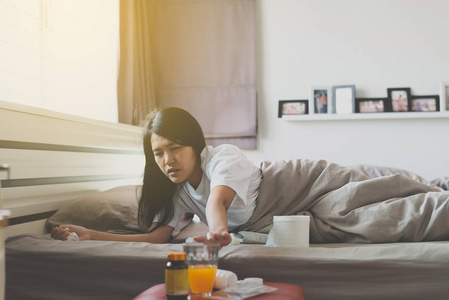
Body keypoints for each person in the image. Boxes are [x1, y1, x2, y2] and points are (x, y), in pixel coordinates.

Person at [51, 107, 262, 248]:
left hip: (292, 188)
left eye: (175, 148)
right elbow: (156, 237)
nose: (168, 160)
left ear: (195, 144)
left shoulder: (223, 156)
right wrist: (91, 234)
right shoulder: (175, 190)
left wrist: (215, 234)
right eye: (159, 153)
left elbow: (216, 201)